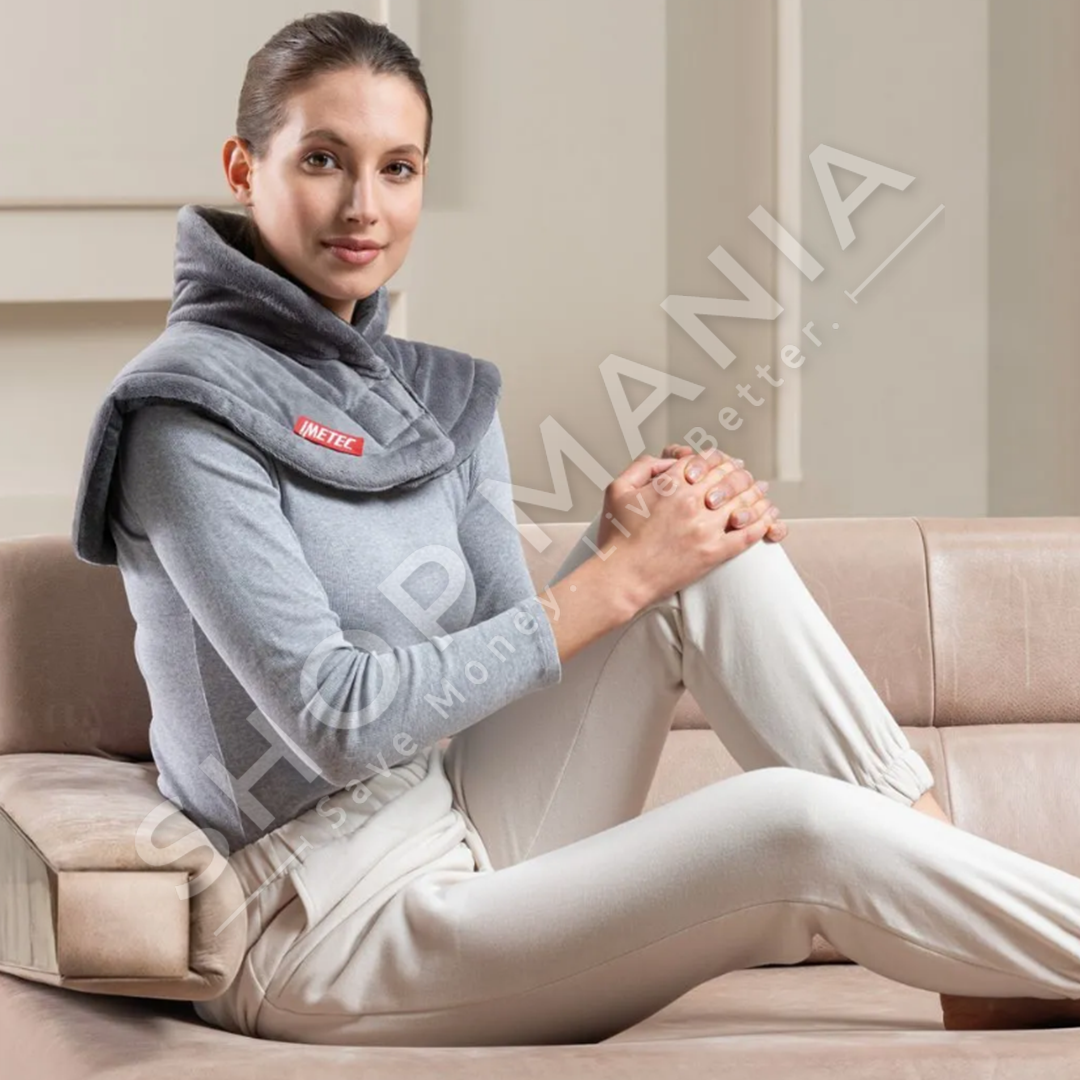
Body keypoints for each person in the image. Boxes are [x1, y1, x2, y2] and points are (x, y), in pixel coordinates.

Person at [71, 9, 1080, 1047]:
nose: (364, 206)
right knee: (789, 824)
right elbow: (334, 721)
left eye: (398, 168)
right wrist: (619, 578)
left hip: (457, 819)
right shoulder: (181, 419)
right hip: (321, 926)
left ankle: (989, 955)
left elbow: (518, 655)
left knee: (710, 557)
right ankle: (1008, 948)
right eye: (324, 160)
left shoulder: (440, 400)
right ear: (244, 168)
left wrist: (628, 540)